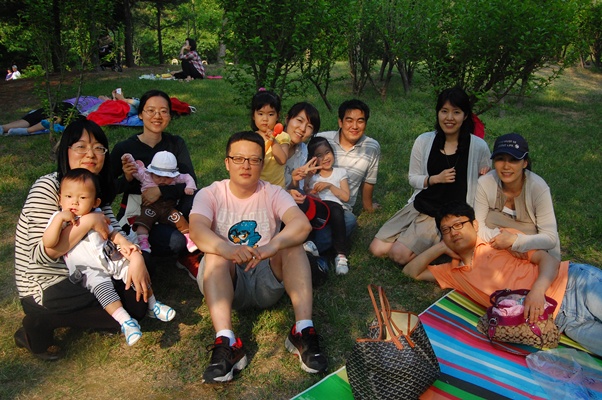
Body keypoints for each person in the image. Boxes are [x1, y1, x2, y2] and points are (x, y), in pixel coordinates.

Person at [189, 131, 328, 383]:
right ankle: (226, 342)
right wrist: (227, 249)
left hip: (266, 277)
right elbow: (197, 230)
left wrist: (272, 246)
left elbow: (301, 225)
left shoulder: (273, 192)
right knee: (214, 252)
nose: (246, 165)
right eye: (238, 159)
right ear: (227, 163)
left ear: (262, 165)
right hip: (226, 280)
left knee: (294, 244)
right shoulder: (210, 193)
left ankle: (303, 329)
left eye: (254, 160)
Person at [14, 118, 151, 360]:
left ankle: (99, 310)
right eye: (81, 146)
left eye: (98, 147)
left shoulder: (95, 191)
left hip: (88, 272)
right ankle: (40, 321)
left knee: (138, 300)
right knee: (121, 303)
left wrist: (136, 258)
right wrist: (88, 221)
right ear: (65, 151)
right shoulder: (48, 187)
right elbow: (42, 256)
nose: (91, 154)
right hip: (49, 282)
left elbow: (114, 233)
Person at [402, 201, 602, 356]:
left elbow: (548, 260)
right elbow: (411, 272)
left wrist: (537, 291)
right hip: (564, 321)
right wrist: (441, 247)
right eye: (446, 230)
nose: (454, 233)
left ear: (474, 225)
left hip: (575, 285)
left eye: (459, 224)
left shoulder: (499, 240)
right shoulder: (453, 273)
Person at [42, 169, 176, 346]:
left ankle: (152, 303)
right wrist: (59, 219)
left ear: (95, 201)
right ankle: (125, 321)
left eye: (82, 197)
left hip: (111, 258)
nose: (74, 201)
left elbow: (111, 233)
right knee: (103, 289)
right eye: (68, 196)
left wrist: (124, 243)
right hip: (87, 270)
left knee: (133, 273)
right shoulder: (59, 219)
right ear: (60, 199)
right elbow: (49, 242)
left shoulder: (98, 214)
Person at [370, 87, 490, 265]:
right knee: (377, 249)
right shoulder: (424, 141)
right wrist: (434, 179)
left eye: (456, 112)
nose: (449, 118)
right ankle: (421, 241)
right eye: (444, 111)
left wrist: (486, 175)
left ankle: (442, 244)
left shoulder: (478, 147)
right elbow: (413, 178)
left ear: (465, 116)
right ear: (438, 113)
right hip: (421, 204)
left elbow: (485, 184)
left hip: (445, 214)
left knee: (398, 255)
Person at [111, 89, 201, 280]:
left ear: (169, 115)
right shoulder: (125, 148)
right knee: (176, 242)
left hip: (171, 208)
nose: (157, 116)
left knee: (198, 197)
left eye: (163, 111)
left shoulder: (175, 144)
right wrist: (127, 179)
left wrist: (159, 190)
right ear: (140, 114)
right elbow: (108, 188)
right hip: (142, 213)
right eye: (151, 110)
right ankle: (174, 248)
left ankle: (191, 248)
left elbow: (190, 181)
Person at [475, 133, 560, 260]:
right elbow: (477, 226)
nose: (506, 166)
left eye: (513, 160)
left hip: (532, 254)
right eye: (500, 159)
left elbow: (550, 238)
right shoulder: (485, 183)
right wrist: (504, 242)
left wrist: (514, 241)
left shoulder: (538, 188)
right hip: (493, 248)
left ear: (525, 163)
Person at [315, 99, 380, 253]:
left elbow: (369, 180)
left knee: (349, 221)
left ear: (366, 123)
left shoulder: (372, 147)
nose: (354, 126)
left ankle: (314, 250)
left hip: (342, 207)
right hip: (316, 200)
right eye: (349, 120)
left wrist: (368, 206)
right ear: (340, 122)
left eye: (360, 121)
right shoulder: (322, 140)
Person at [121, 150, 198, 253]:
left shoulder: (175, 178)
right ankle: (143, 242)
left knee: (180, 220)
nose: (162, 180)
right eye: (158, 176)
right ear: (151, 172)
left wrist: (189, 187)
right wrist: (129, 159)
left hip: (168, 208)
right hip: (150, 207)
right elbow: (135, 169)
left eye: (167, 177)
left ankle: (189, 239)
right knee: (143, 222)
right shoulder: (146, 176)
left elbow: (188, 177)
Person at [304, 137, 350, 274]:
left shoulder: (340, 172)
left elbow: (346, 197)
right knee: (307, 212)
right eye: (319, 155)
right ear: (312, 159)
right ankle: (310, 245)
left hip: (334, 207)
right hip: (318, 206)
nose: (325, 158)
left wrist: (330, 186)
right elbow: (305, 191)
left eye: (327, 152)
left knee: (336, 212)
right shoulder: (312, 176)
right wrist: (311, 190)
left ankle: (341, 255)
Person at [251, 89, 291, 188]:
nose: (265, 119)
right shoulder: (251, 139)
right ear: (253, 116)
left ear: (277, 116)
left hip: (276, 188)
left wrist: (273, 141)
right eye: (260, 114)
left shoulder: (282, 136)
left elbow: (282, 160)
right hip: (257, 187)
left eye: (270, 114)